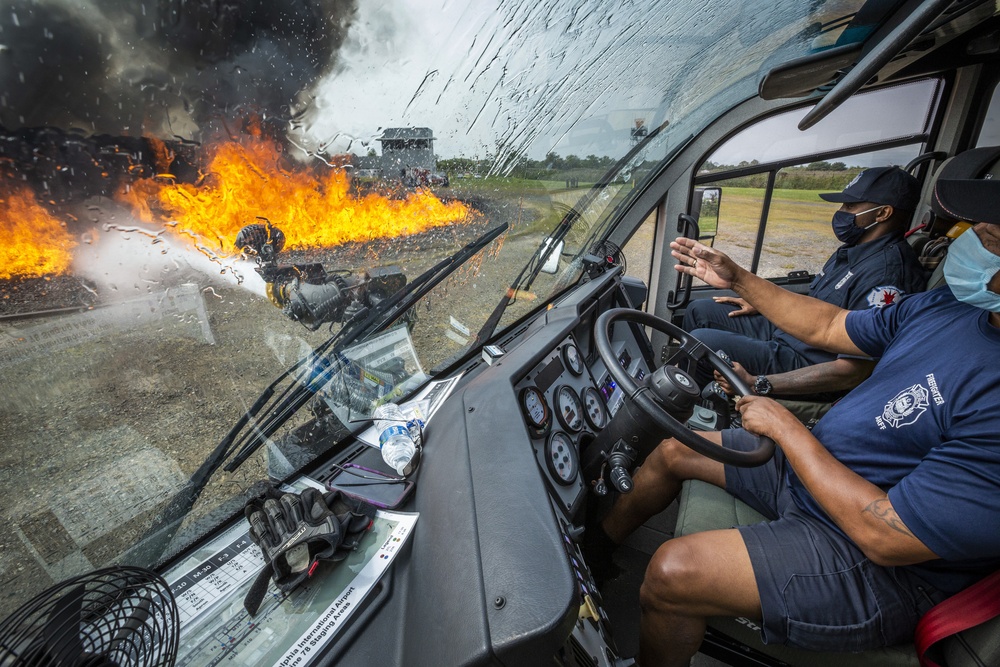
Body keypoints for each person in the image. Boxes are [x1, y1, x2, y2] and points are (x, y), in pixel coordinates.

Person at [595, 174, 1000, 666]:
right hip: (819, 471)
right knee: (676, 449)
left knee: (672, 572)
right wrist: (739, 278)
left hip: (877, 561)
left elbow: (890, 537)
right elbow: (829, 324)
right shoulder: (947, 309)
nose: (972, 238)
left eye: (991, 236)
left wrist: (785, 426)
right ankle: (591, 557)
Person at [683, 165, 927, 383]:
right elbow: (818, 301)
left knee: (703, 341)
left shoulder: (888, 275)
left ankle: (693, 415)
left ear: (883, 213)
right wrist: (762, 301)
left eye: (850, 206)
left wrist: (760, 382)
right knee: (700, 310)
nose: (841, 212)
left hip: (806, 358)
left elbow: (853, 370)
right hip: (792, 332)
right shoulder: (855, 250)